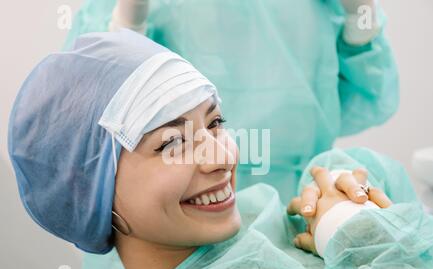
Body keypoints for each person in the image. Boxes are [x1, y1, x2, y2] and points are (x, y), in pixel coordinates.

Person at [9, 30, 433, 269]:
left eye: (215, 123)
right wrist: (358, 238)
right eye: (173, 143)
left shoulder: (253, 230)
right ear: (90, 192)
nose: (221, 156)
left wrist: (333, 188)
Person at [64, 0, 400, 204]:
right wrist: (128, 23)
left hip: (294, 204)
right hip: (168, 213)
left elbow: (365, 98)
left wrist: (360, 17)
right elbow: (93, 119)